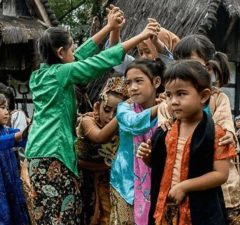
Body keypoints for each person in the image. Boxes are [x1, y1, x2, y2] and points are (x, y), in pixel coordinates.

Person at [25, 7, 160, 224]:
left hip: (37, 154)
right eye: (71, 49)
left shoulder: (40, 75)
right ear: (60, 53)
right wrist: (142, 36)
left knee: (49, 215)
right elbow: (97, 62)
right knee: (62, 215)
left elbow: (80, 56)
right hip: (53, 154)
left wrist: (109, 27)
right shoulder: (62, 73)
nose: (75, 52)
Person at [158, 34, 240, 224]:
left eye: (190, 62)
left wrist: (229, 135)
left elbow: (225, 129)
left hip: (218, 180)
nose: (184, 68)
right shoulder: (171, 102)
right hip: (182, 181)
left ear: (207, 67)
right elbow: (163, 128)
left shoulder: (217, 98)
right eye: (179, 62)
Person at [138, 60, 235, 225]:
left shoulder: (215, 133)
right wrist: (146, 156)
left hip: (199, 210)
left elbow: (221, 174)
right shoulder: (165, 131)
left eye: (181, 94)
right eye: (169, 95)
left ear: (203, 96)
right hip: (166, 208)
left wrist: (185, 186)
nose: (173, 101)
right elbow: (157, 165)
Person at [110, 59, 165, 225]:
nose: (133, 88)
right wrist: (162, 107)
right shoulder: (124, 109)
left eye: (139, 81)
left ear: (156, 82)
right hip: (125, 182)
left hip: (157, 182)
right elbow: (135, 123)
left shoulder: (168, 111)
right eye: (129, 83)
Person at [76, 76, 128, 224]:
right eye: (107, 109)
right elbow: (99, 137)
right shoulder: (87, 122)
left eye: (118, 112)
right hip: (83, 180)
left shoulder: (123, 129)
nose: (111, 116)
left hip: (107, 182)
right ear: (97, 107)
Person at [0, 93, 30, 224]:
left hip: (12, 186)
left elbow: (24, 138)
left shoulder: (7, 130)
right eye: (2, 107)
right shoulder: (9, 135)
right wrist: (18, 136)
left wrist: (32, 129)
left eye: (6, 108)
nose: (7, 112)